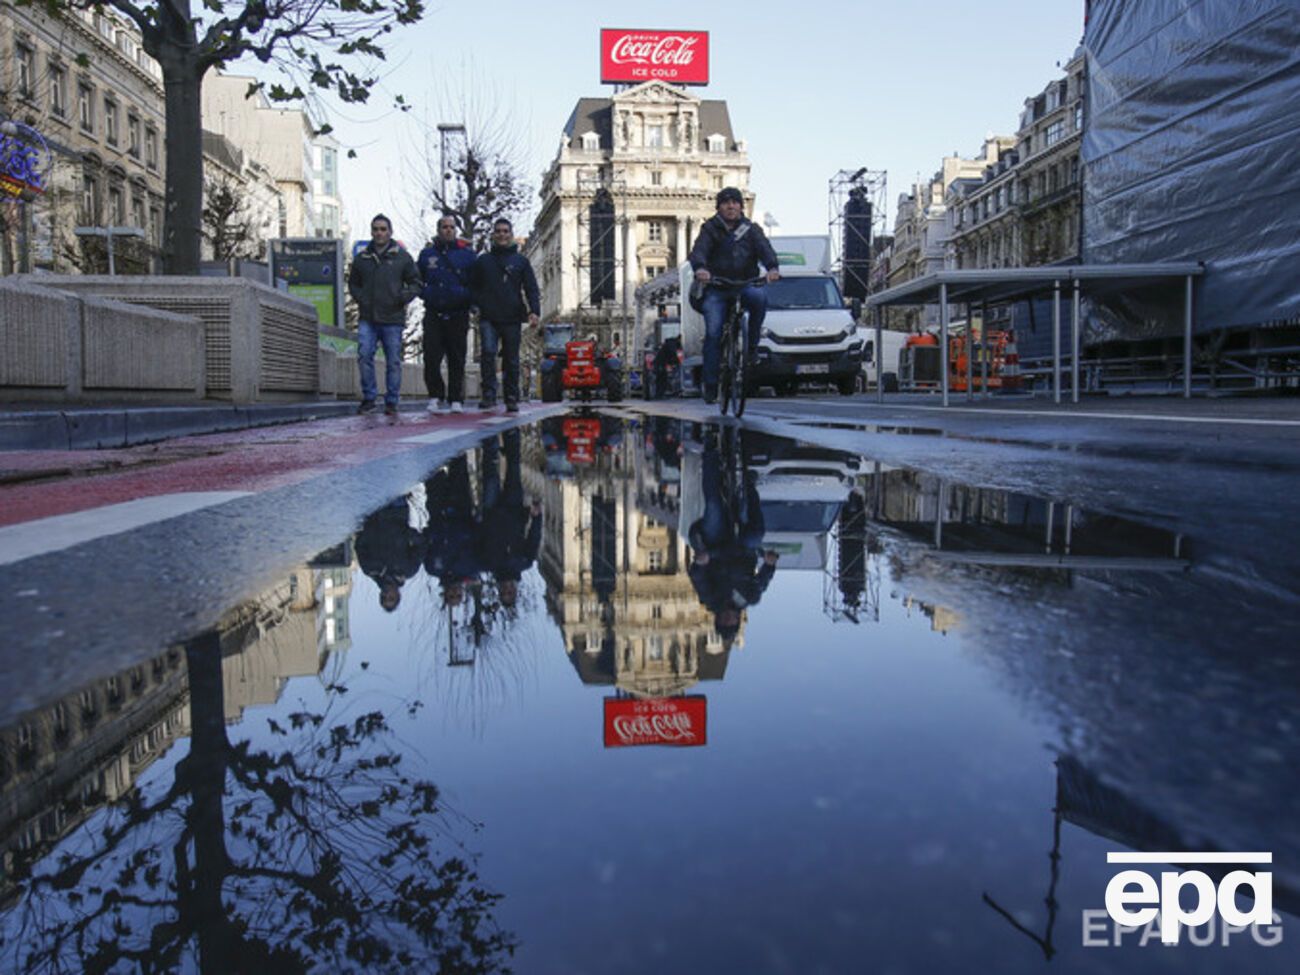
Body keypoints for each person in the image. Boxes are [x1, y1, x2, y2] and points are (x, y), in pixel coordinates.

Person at [687, 187, 781, 404]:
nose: (731, 206)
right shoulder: (710, 229)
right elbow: (699, 251)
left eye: (735, 202)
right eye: (726, 203)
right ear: (719, 207)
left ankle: (751, 347)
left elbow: (765, 249)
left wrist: (772, 268)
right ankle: (710, 384)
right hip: (717, 286)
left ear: (741, 206)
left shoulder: (751, 229)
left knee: (759, 299)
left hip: (744, 284)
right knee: (713, 332)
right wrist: (701, 268)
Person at [687, 432, 778, 646]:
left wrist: (701, 563)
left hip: (716, 544)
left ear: (717, 619)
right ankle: (750, 485)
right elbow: (763, 580)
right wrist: (770, 564)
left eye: (724, 622)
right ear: (738, 620)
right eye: (732, 623)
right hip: (742, 548)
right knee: (756, 533)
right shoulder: (749, 598)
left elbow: (697, 577)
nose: (729, 619)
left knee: (714, 506)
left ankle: (710, 451)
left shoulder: (709, 598)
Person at [348, 214, 421, 415]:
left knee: (393, 361)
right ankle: (369, 398)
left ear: (390, 232)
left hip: (393, 318)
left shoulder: (402, 257)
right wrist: (361, 297)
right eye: (376, 229)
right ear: (372, 232)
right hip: (368, 316)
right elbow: (353, 283)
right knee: (364, 355)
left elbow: (416, 283)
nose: (379, 233)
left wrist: (402, 297)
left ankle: (391, 400)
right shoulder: (362, 258)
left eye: (383, 229)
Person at [468, 218, 540, 413]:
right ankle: (489, 395)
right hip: (488, 316)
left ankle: (511, 397)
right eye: (498, 231)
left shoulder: (521, 261)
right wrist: (475, 306)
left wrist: (534, 311)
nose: (502, 234)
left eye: (505, 231)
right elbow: (473, 286)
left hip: (512, 316)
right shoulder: (483, 261)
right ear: (493, 235)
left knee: (512, 358)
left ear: (510, 234)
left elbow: (531, 288)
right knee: (488, 354)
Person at [416, 214, 476, 415]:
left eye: (451, 227)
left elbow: (475, 282)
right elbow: (417, 280)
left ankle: (456, 398)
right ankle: (435, 395)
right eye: (444, 227)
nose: (448, 230)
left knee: (456, 358)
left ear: (455, 230)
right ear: (438, 230)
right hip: (434, 311)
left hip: (458, 312)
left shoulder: (467, 255)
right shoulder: (427, 255)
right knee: (431, 356)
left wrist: (467, 298)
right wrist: (426, 294)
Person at [476, 429, 542, 606]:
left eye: (503, 592)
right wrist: (536, 517)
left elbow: (478, 539)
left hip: (492, 511)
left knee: (490, 474)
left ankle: (490, 442)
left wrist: (479, 519)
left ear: (498, 590)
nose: (506, 589)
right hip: (514, 511)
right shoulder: (524, 563)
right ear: (515, 590)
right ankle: (512, 436)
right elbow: (534, 538)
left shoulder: (487, 564)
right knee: (513, 469)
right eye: (510, 592)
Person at [355, 494, 428, 612]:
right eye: (391, 598)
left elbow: (359, 546)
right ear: (398, 595)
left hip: (374, 513)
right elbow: (421, 547)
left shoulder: (370, 570)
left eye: (384, 598)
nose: (387, 594)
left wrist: (368, 532)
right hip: (397, 512)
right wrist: (408, 534)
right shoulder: (408, 570)